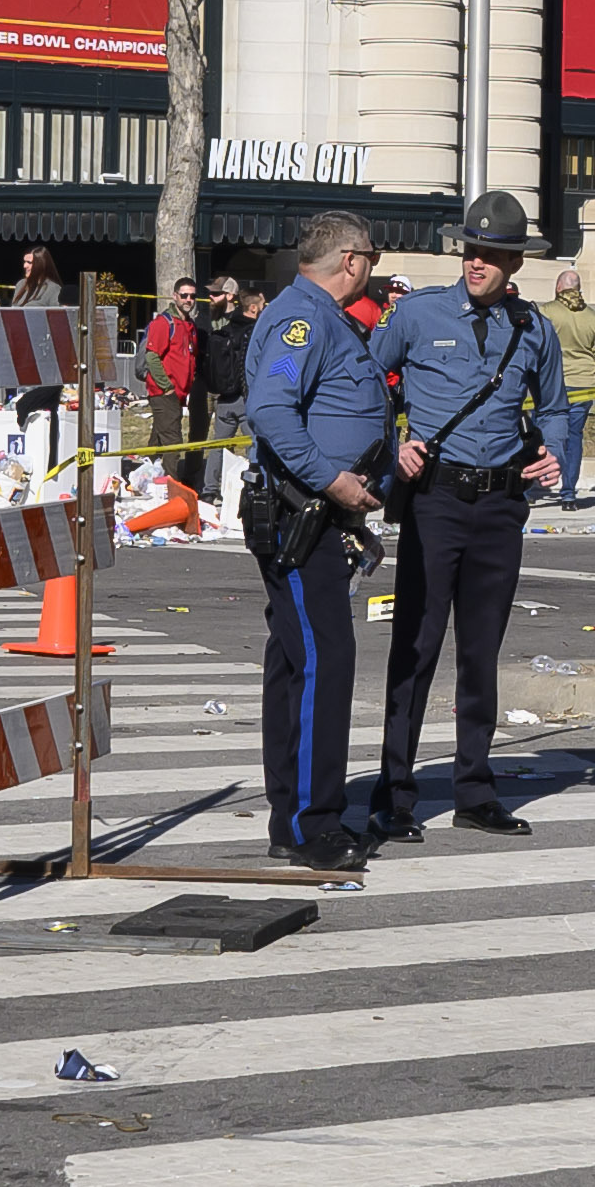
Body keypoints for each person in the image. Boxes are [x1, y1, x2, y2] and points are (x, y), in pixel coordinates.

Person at [374, 193, 578, 836]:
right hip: (434, 498)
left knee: (480, 653)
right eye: (470, 250)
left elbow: (555, 408)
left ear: (515, 261)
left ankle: (474, 789)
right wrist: (392, 445)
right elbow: (362, 386)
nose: (477, 263)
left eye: (490, 254)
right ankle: (395, 791)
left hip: (500, 504)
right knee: (417, 645)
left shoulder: (535, 327)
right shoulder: (417, 314)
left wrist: (557, 462)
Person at [236, 213, 397, 861]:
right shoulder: (300, 318)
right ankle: (311, 824)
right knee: (322, 664)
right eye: (373, 257)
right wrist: (332, 480)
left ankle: (294, 816)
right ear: (353, 260)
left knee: (296, 664)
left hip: (320, 514)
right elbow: (271, 408)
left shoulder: (324, 318)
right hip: (304, 515)